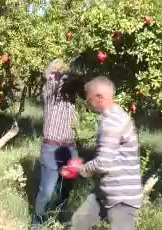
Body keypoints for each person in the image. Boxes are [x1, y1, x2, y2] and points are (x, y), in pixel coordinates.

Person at [69, 76, 143, 230]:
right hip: (107, 192)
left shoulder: (112, 122)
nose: (88, 104)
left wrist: (80, 170)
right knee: (79, 223)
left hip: (122, 198)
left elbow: (103, 163)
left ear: (100, 97)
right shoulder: (114, 115)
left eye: (89, 100)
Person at [32, 59, 84, 227]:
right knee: (46, 191)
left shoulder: (72, 92)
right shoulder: (50, 89)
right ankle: (37, 224)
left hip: (70, 148)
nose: (63, 74)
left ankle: (57, 218)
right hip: (51, 147)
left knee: (66, 188)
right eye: (60, 71)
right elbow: (53, 77)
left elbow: (80, 84)